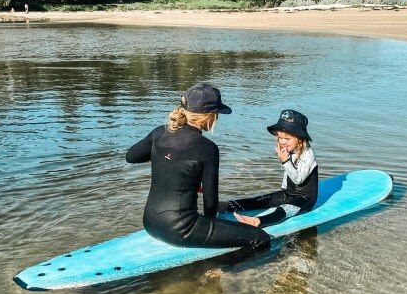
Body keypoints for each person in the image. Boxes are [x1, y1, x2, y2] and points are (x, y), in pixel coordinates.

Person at [126, 83, 270, 251]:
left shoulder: (159, 132)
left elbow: (131, 157)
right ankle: (223, 271)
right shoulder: (207, 148)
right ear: (209, 115)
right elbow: (210, 207)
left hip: (150, 223)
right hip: (181, 231)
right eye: (216, 113)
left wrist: (165, 158)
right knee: (260, 239)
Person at [224, 109, 318, 228]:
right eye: (280, 138)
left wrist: (285, 161)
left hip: (305, 199)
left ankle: (257, 221)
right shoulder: (289, 150)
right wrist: (280, 193)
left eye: (287, 139)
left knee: (283, 210)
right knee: (261, 200)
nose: (282, 142)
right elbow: (287, 177)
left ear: (300, 138)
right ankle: (226, 206)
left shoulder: (308, 154)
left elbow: (298, 179)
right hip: (287, 194)